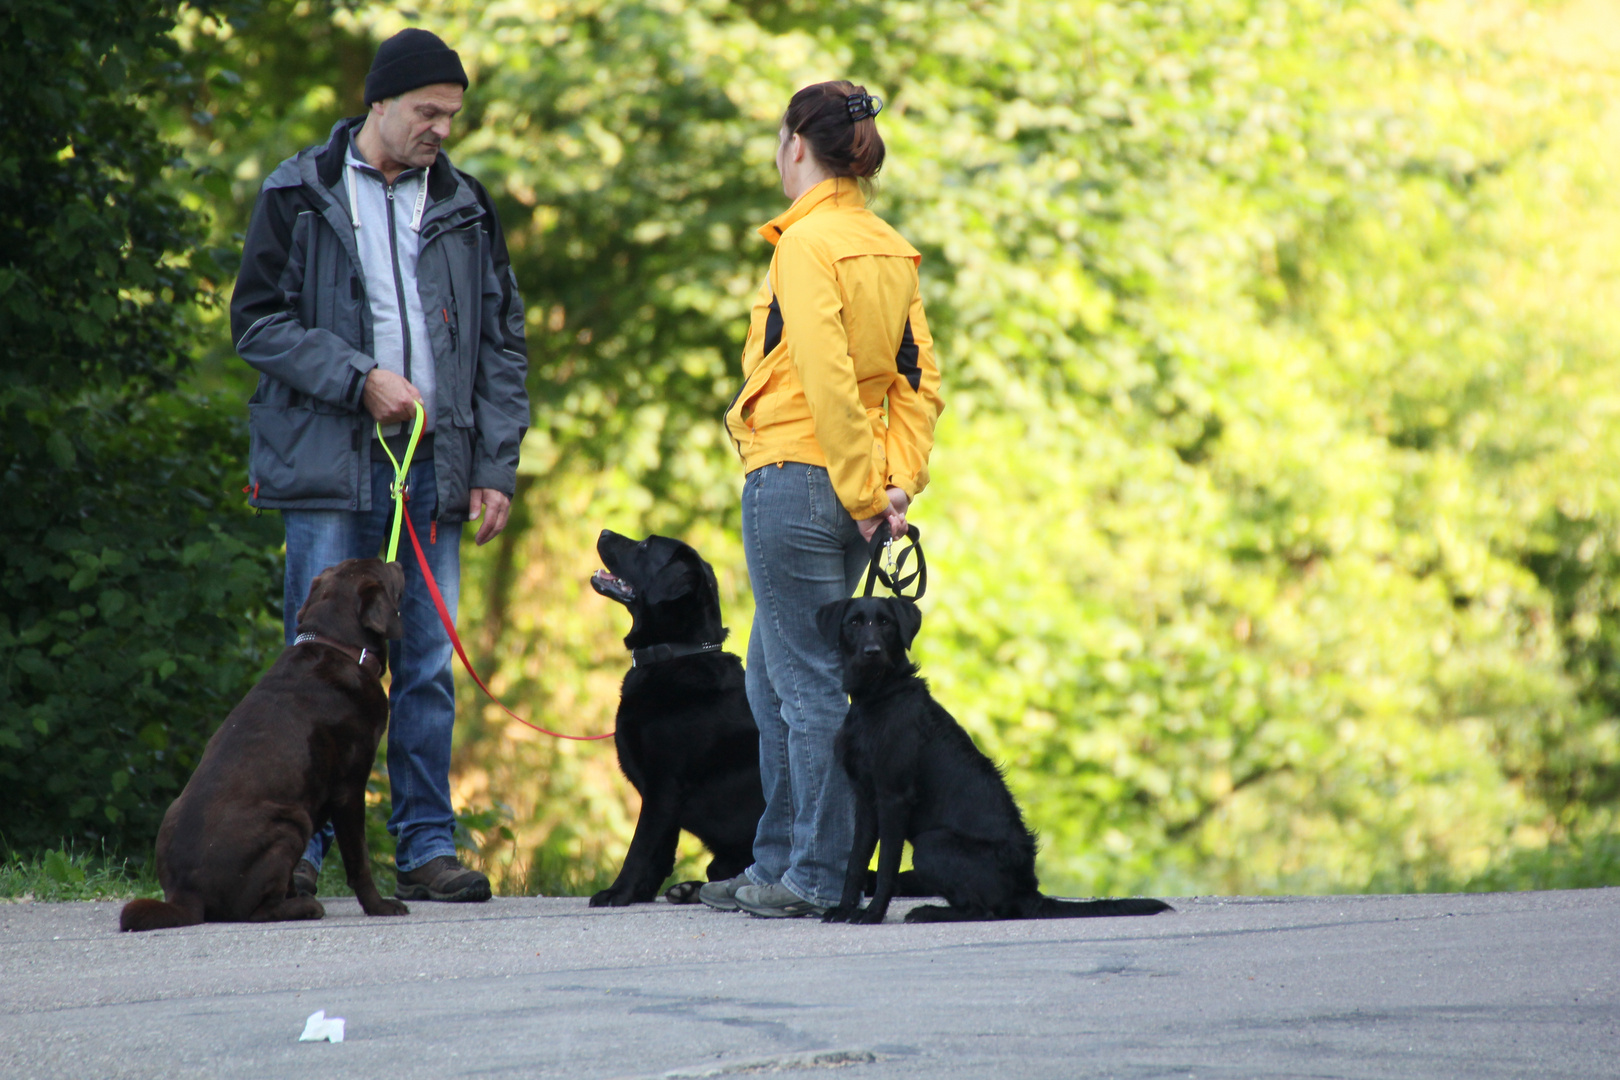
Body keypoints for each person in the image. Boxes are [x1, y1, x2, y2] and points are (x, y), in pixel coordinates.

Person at [229, 28, 530, 903]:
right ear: (381, 103)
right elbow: (256, 323)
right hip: (329, 461)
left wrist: (496, 466)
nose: (443, 127)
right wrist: (357, 379)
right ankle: (309, 845)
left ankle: (427, 844)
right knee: (320, 661)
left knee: (428, 661)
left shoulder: (467, 203)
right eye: (428, 111)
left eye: (453, 114)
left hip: (436, 462)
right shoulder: (299, 192)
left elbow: (502, 342)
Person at [701, 81, 944, 917]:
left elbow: (827, 377)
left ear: (796, 144)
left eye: (778, 140)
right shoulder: (890, 247)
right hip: (853, 488)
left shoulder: (804, 245)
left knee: (804, 689)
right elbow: (919, 384)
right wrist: (894, 484)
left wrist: (863, 489)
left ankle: (813, 876)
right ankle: (775, 863)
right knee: (771, 683)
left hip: (798, 479)